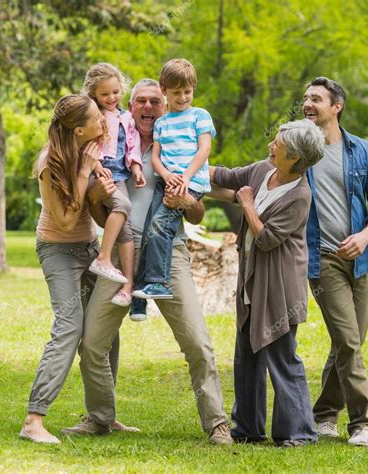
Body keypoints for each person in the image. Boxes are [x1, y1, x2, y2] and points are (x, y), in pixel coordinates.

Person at [59, 79, 235, 445]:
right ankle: (101, 416)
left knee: (197, 343)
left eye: (156, 101)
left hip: (169, 253)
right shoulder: (111, 146)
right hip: (122, 253)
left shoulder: (178, 147)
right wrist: (94, 192)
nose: (149, 106)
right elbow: (95, 211)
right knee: (92, 343)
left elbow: (199, 212)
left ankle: (217, 423)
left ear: (166, 106)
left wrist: (183, 202)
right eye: (141, 100)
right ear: (131, 105)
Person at [210, 119, 325, 447]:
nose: (271, 146)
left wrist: (247, 206)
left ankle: (299, 432)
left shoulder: (300, 195)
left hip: (280, 285)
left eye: (279, 145)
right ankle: (247, 427)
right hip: (251, 278)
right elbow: (226, 176)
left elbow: (268, 239)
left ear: (296, 158)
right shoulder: (263, 170)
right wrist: (185, 167)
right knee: (246, 352)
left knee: (281, 355)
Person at [19, 95, 121, 444]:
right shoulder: (51, 162)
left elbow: (95, 198)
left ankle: (103, 416)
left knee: (104, 326)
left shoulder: (90, 149)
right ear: (79, 130)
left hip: (89, 247)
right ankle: (34, 419)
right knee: (68, 327)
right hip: (58, 250)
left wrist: (98, 183)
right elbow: (63, 222)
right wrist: (83, 172)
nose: (103, 121)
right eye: (96, 118)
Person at [303, 77, 368, 446]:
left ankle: (323, 414)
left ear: (336, 107)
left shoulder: (363, 151)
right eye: (306, 98)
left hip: (361, 260)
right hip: (322, 260)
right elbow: (263, 178)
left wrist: (365, 235)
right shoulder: (298, 149)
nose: (308, 103)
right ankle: (363, 421)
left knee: (347, 342)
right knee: (349, 342)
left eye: (316, 99)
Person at [132, 59, 214, 302]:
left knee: (160, 226)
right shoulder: (162, 123)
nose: (182, 97)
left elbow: (204, 149)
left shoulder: (199, 116)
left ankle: (159, 283)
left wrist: (185, 179)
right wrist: (167, 175)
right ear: (164, 90)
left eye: (187, 92)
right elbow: (156, 157)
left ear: (193, 89)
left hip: (190, 184)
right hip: (167, 181)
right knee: (150, 227)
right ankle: (139, 297)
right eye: (176, 92)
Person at [82, 63, 146, 308]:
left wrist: (137, 168)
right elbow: (87, 144)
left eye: (116, 92)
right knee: (123, 204)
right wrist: (96, 165)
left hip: (119, 175)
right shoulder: (91, 115)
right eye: (104, 94)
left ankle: (128, 287)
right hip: (98, 172)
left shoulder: (126, 117)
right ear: (94, 94)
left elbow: (133, 145)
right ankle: (104, 257)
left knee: (126, 231)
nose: (111, 98)